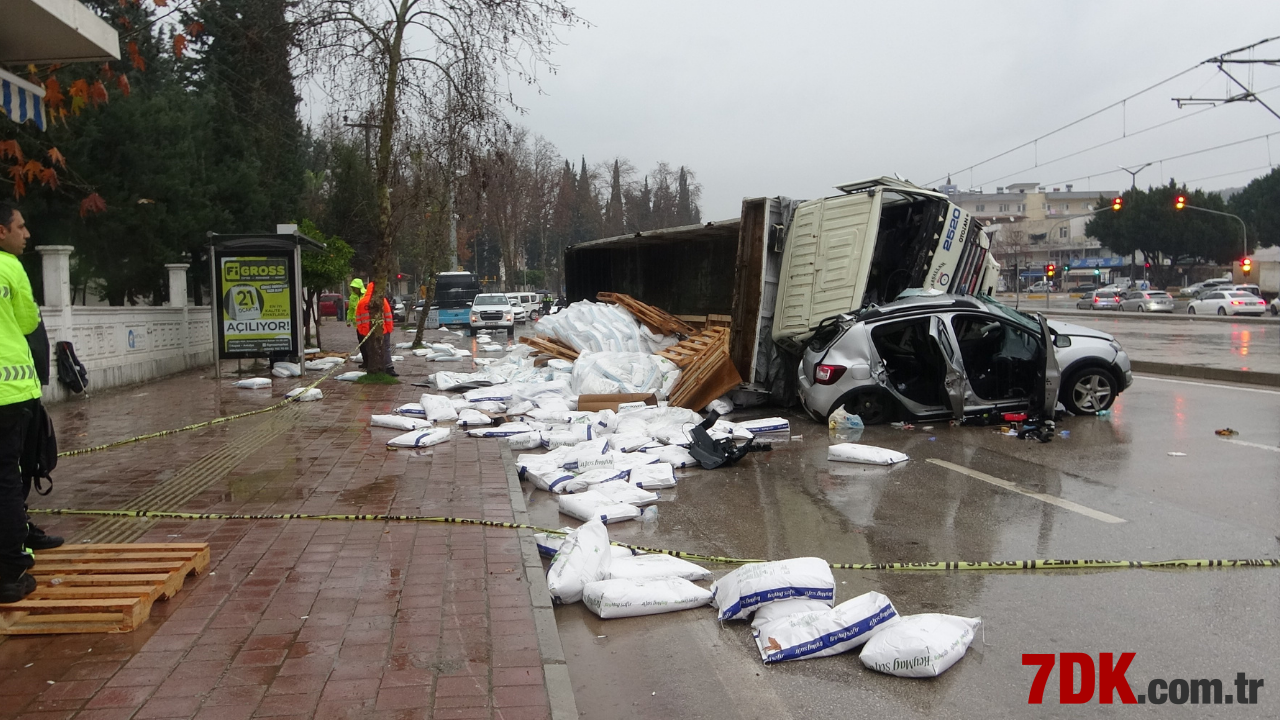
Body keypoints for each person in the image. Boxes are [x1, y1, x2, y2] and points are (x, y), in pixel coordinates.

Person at [0, 203, 42, 602]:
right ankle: (11, 571)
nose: (26, 234)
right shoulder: (9, 267)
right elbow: (28, 322)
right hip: (8, 396)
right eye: (20, 225)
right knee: (6, 481)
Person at [354, 281, 395, 375]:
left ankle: (373, 367)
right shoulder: (382, 300)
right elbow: (388, 315)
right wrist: (389, 328)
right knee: (386, 348)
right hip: (383, 330)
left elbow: (358, 318)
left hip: (367, 332)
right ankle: (389, 368)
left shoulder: (361, 302)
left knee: (371, 349)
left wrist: (361, 330)